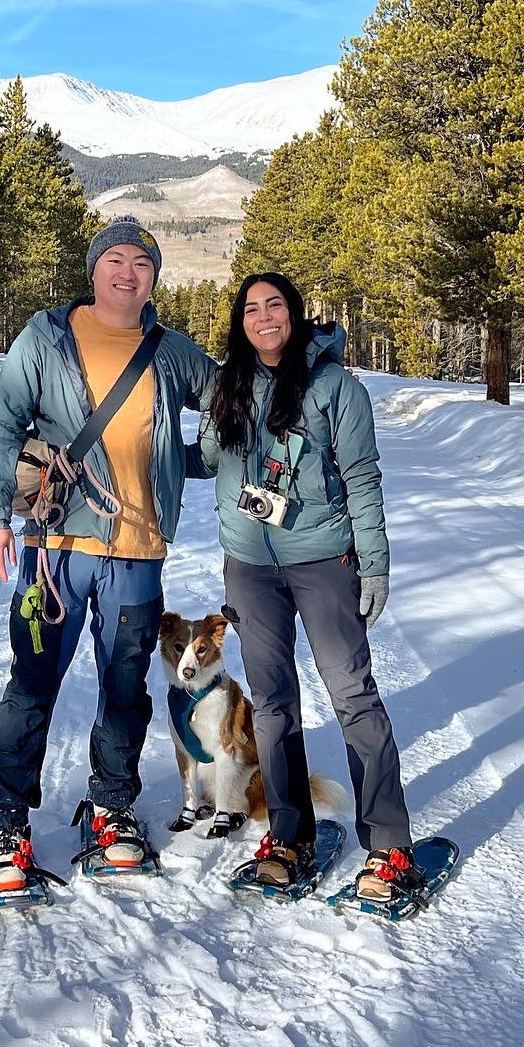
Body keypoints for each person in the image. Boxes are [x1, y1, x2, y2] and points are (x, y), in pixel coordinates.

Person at [0, 216, 216, 893]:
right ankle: (7, 821)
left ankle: (113, 808)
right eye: (115, 259)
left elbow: (229, 405)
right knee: (32, 685)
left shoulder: (172, 351)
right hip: (53, 549)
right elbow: (1, 426)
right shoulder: (46, 337)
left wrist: (188, 459)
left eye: (141, 263)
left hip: (138, 551)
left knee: (124, 686)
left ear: (154, 278)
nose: (127, 272)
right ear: (94, 270)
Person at [191, 271, 419, 904]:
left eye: (275, 305)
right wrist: (130, 455)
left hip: (323, 562)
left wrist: (374, 563)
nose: (264, 317)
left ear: (293, 314)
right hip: (249, 567)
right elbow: (206, 460)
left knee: (353, 695)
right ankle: (289, 835)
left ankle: (388, 845)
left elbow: (362, 476)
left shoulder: (336, 387)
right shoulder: (229, 387)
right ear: (239, 323)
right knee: (271, 703)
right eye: (251, 309)